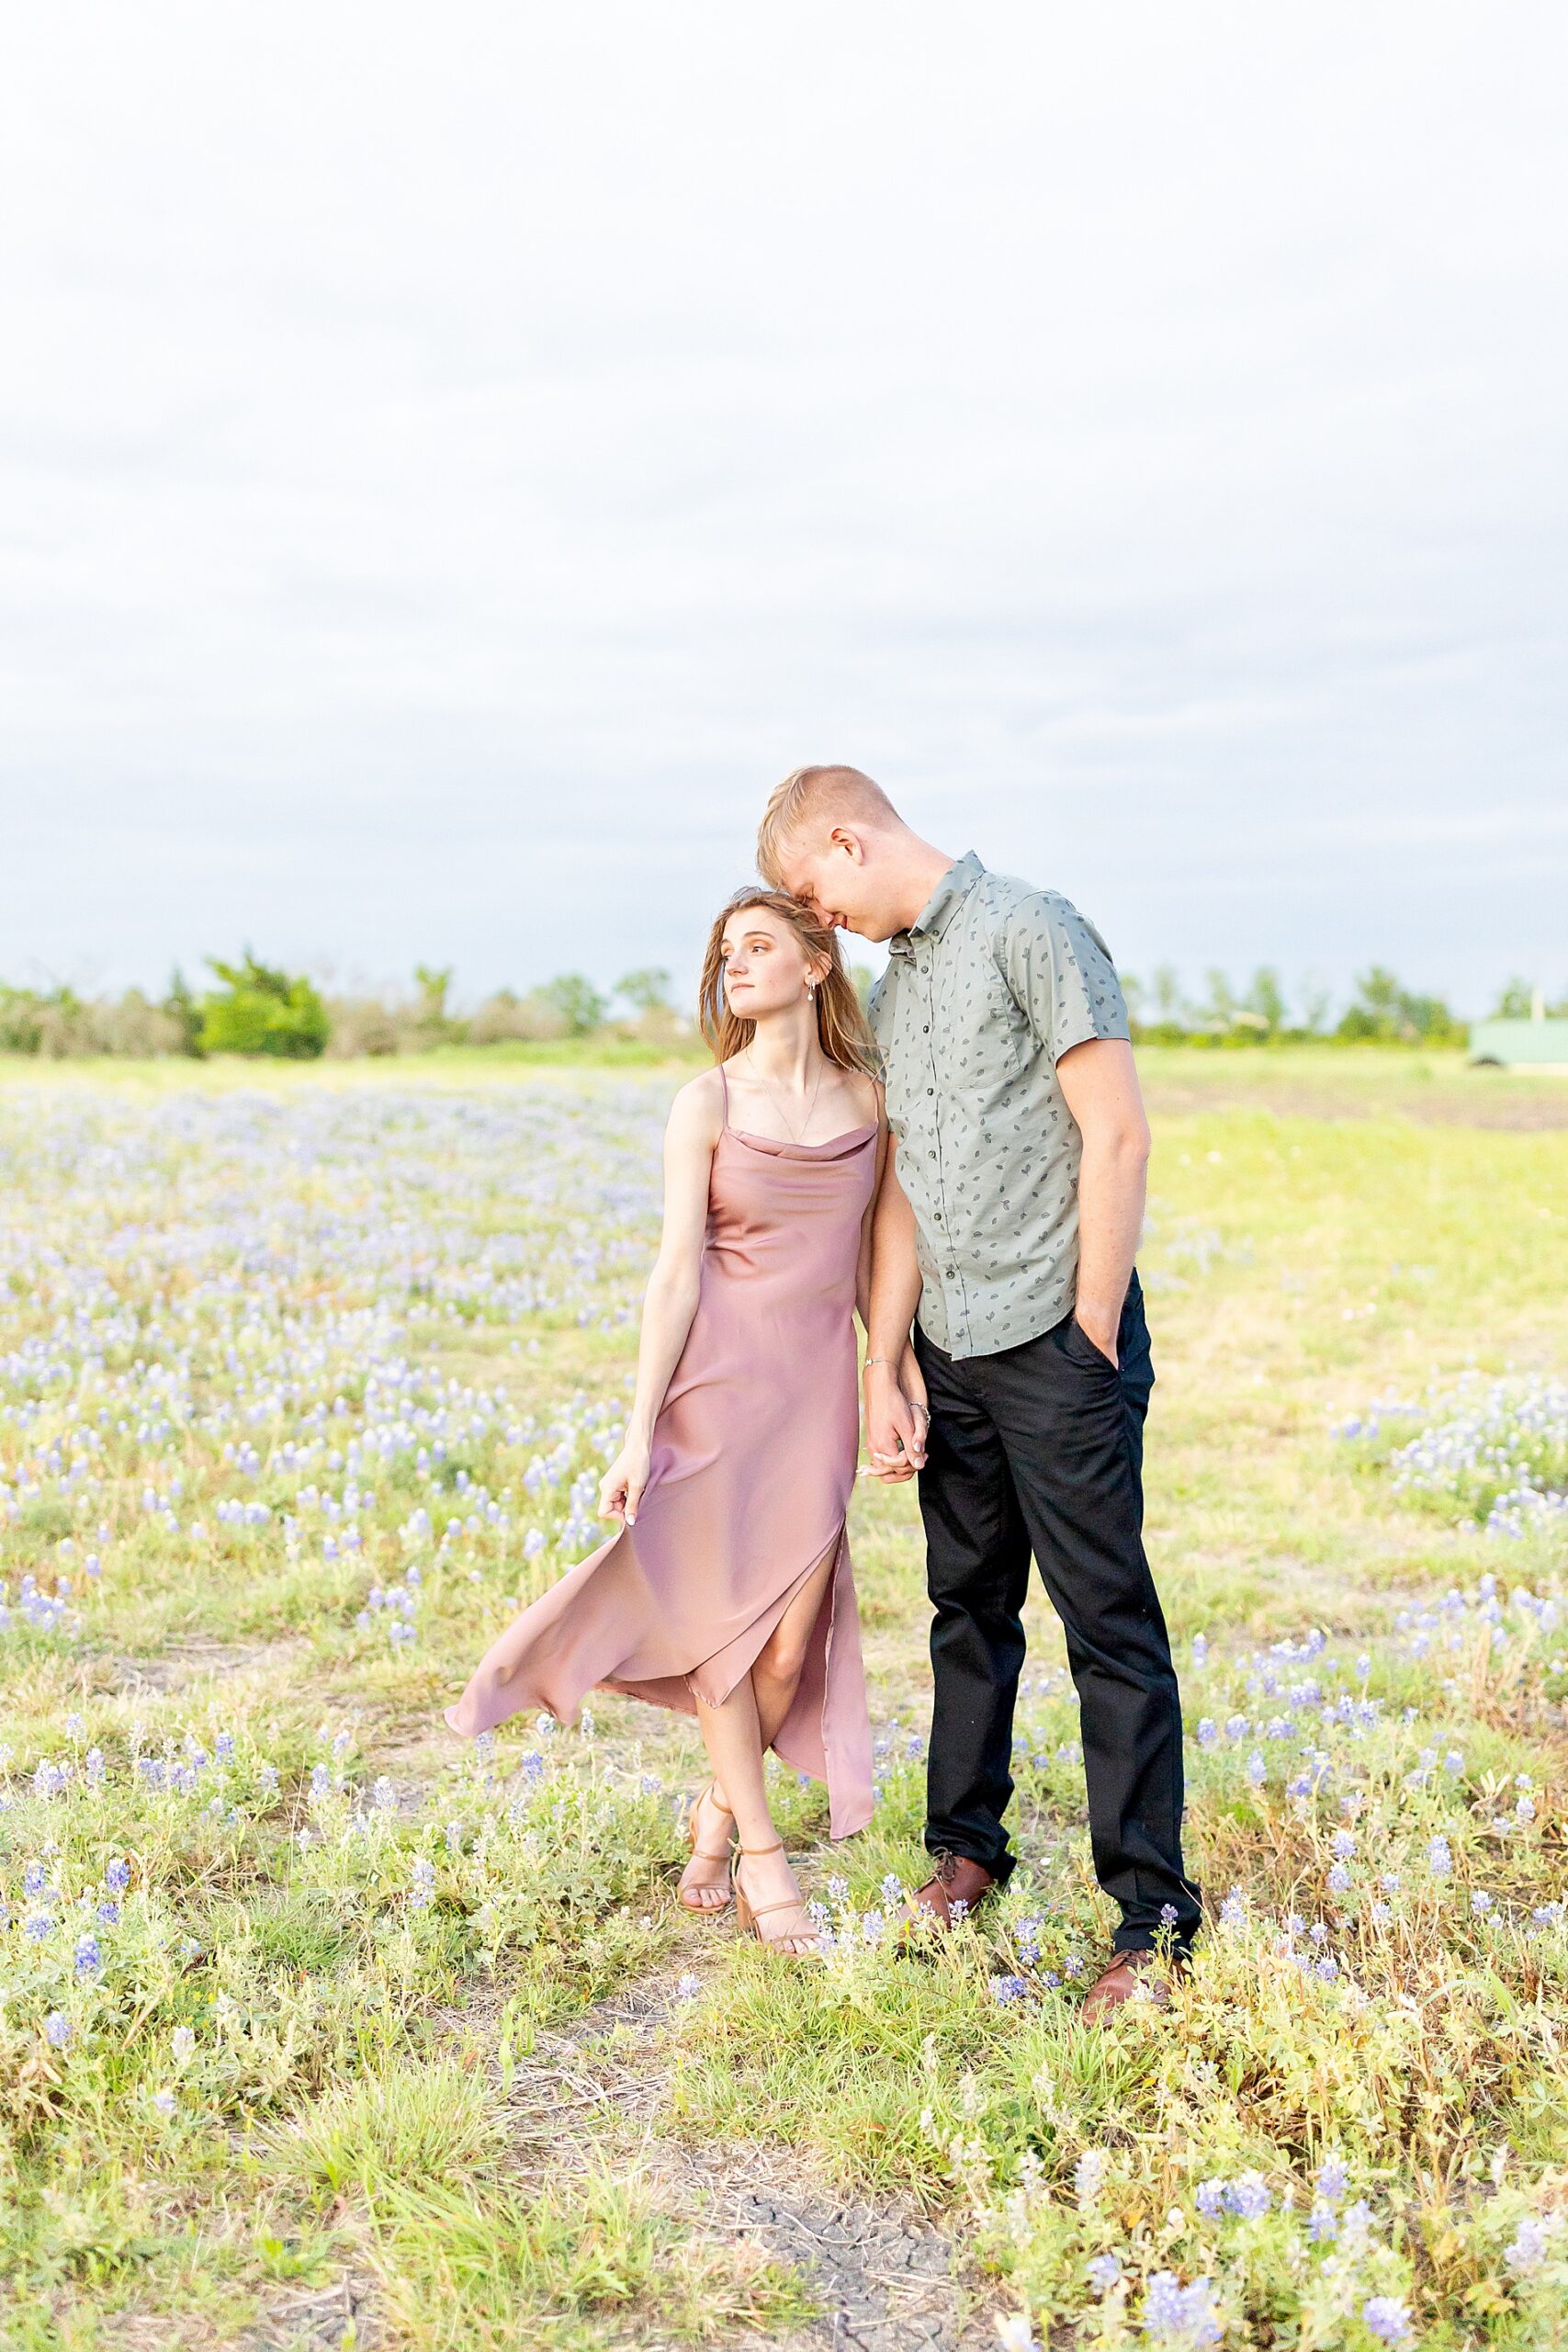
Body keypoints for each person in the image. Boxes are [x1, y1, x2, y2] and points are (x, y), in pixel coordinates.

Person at [758, 764, 1203, 2018]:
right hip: (949, 1349)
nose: (818, 920)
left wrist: (1090, 1332)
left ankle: (1151, 1923)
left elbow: (1114, 1132)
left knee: (1103, 1624)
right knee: (967, 1611)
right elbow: (899, 1189)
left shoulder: (1032, 927)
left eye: (811, 892)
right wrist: (885, 1357)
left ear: (846, 840)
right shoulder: (897, 988)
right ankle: (963, 1855)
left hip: (1056, 1345)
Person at [445, 887, 911, 1957]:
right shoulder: (705, 1101)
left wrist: (889, 1374)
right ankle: (759, 1854)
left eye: (760, 946)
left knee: (789, 1651)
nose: (737, 965)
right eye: (725, 952)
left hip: (813, 1402)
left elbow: (885, 1258)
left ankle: (712, 1808)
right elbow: (675, 1274)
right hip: (714, 1396)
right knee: (721, 1640)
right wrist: (634, 1427)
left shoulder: (870, 1104)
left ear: (817, 965)